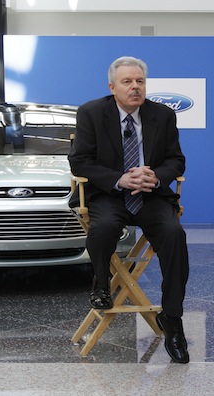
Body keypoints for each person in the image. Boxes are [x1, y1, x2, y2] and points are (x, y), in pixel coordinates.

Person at [68, 56, 190, 363]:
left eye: (140, 81)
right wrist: (119, 178)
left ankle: (172, 319)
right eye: (127, 82)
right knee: (104, 227)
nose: (135, 87)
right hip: (110, 194)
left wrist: (155, 175)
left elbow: (176, 161)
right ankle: (101, 281)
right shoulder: (92, 112)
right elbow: (79, 161)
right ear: (112, 87)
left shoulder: (161, 115)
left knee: (175, 235)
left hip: (151, 195)